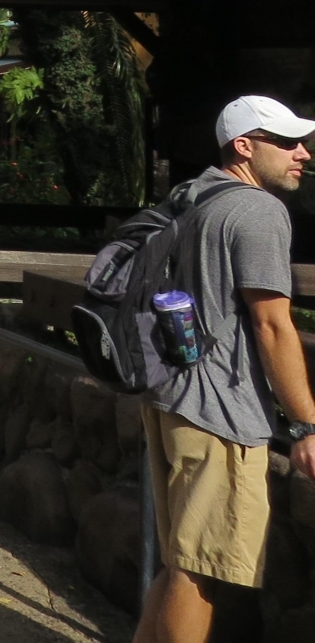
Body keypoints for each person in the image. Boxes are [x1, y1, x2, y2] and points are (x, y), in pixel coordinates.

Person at [135, 96, 315, 643]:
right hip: (219, 411)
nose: (302, 153)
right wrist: (306, 426)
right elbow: (272, 326)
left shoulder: (191, 197)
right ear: (244, 146)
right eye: (286, 142)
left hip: (171, 395)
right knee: (200, 570)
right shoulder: (258, 210)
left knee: (181, 559)